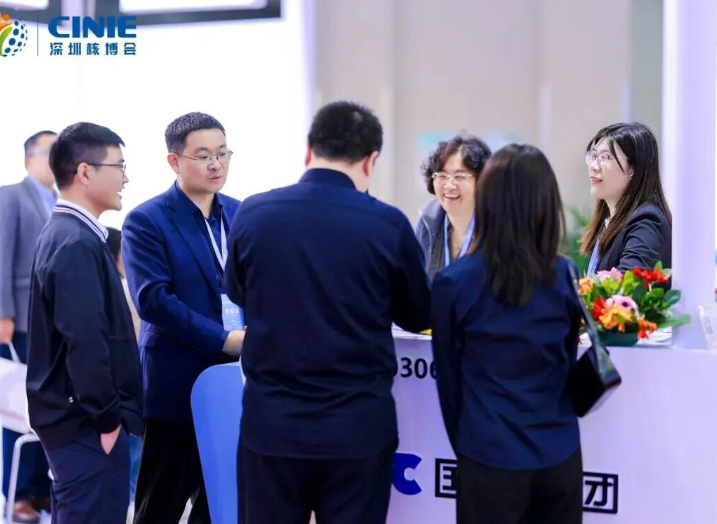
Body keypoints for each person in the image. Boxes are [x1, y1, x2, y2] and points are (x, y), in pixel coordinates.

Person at [225, 101, 431, 524]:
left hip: (272, 424)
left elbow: (237, 290)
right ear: (370, 160)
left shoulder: (254, 213)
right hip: (357, 427)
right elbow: (417, 314)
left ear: (309, 150)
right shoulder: (387, 224)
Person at [431, 144, 582, 524]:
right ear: (547, 203)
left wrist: (468, 446)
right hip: (558, 452)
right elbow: (567, 361)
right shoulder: (564, 275)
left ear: (488, 199)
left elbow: (448, 383)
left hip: (488, 454)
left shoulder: (454, 282)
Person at [122, 112, 244, 524]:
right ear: (174, 161)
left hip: (235, 381)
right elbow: (153, 300)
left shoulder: (241, 214)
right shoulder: (147, 220)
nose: (216, 164)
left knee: (222, 504)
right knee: (161, 505)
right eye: (204, 155)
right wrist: (223, 339)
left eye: (223, 153)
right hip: (177, 383)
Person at [26, 122, 143, 524]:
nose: (125, 177)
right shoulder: (75, 241)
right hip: (87, 427)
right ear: (85, 172)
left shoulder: (72, 233)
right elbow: (85, 341)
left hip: (81, 424)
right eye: (119, 166)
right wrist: (108, 421)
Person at [0, 130, 57, 523]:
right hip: (20, 323)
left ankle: (40, 487)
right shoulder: (11, 196)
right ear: (30, 158)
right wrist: (2, 315)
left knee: (46, 408)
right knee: (16, 409)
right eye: (50, 151)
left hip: (52, 325)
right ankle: (16, 494)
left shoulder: (60, 201)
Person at [581, 122, 672, 274]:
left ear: (632, 169)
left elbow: (628, 283)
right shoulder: (609, 222)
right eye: (594, 156)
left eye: (605, 157)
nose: (593, 166)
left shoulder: (646, 221)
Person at [414, 134, 491, 280]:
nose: (449, 185)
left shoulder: (498, 227)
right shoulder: (427, 223)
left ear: (481, 180)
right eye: (442, 176)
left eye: (460, 176)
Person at [106, 227, 142, 522]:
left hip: (109, 389)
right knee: (134, 454)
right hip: (132, 385)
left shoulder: (101, 291)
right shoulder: (126, 290)